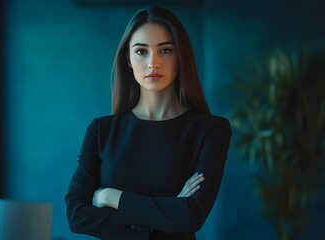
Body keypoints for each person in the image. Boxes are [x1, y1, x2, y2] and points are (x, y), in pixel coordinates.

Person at [65, 6, 231, 240]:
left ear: (180, 56)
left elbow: (192, 216)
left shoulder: (211, 130)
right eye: (141, 51)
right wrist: (168, 212)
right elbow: (76, 215)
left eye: (165, 50)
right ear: (128, 60)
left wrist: (110, 197)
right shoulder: (101, 131)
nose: (153, 62)